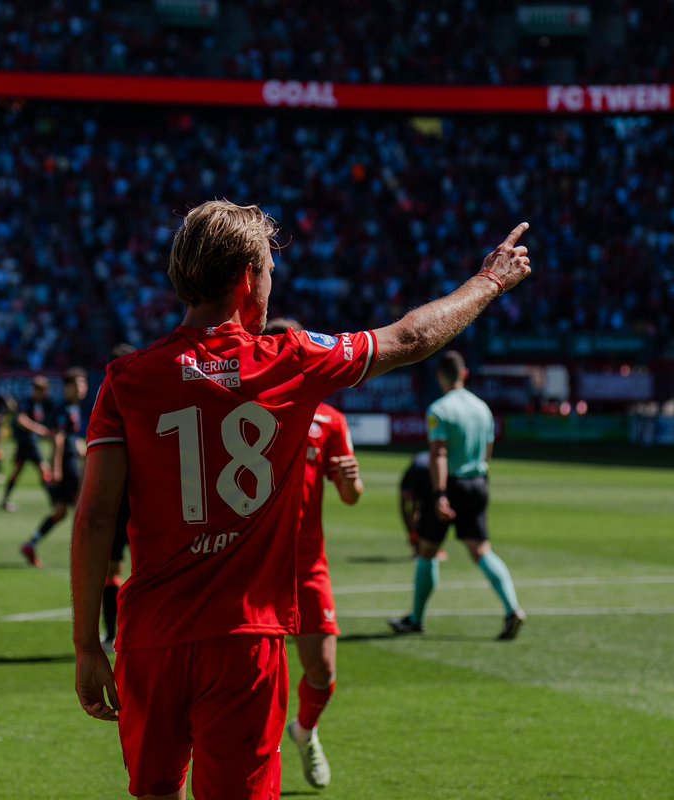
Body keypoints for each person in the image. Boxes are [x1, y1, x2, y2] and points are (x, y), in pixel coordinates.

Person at [71, 200, 531, 800]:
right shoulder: (291, 360)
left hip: (150, 637)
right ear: (246, 279)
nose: (270, 282)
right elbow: (413, 337)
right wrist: (489, 280)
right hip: (245, 640)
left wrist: (85, 644)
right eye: (267, 269)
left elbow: (96, 518)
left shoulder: (126, 378)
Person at [260, 317, 362, 790]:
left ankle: (305, 731)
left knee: (321, 669)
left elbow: (352, 495)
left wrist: (349, 479)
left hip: (308, 564)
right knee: (256, 680)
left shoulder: (329, 419)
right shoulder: (244, 409)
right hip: (255, 566)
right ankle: (261, 755)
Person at [390, 350, 526, 640]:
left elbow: (438, 454)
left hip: (450, 484)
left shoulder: (440, 409)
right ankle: (512, 608)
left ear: (441, 376)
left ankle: (416, 619)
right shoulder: (482, 408)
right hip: (478, 481)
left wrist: (439, 493)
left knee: (426, 551)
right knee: (481, 550)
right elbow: (488, 452)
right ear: (465, 374)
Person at [21, 367, 88, 566]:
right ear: (67, 388)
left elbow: (69, 438)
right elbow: (59, 439)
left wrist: (81, 448)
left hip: (69, 462)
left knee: (60, 511)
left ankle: (31, 544)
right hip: (68, 466)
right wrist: (56, 467)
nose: (81, 389)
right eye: (77, 385)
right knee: (83, 510)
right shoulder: (65, 408)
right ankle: (83, 556)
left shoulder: (73, 408)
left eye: (83, 384)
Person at [101, 345, 136, 654]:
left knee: (111, 569)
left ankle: (111, 635)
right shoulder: (149, 400)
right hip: (144, 499)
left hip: (115, 500)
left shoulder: (106, 404)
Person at [1, 375, 53, 512]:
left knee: (17, 472)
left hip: (26, 444)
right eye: (44, 390)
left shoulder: (39, 404)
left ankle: (5, 500)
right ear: (38, 390)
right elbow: (21, 420)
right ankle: (54, 501)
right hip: (28, 442)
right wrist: (39, 429)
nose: (46, 393)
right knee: (44, 469)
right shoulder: (28, 402)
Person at [399, 452, 448, 561]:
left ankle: (422, 546)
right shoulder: (425, 462)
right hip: (427, 475)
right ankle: (426, 546)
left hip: (423, 475)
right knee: (427, 511)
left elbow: (407, 506)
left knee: (416, 511)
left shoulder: (418, 466)